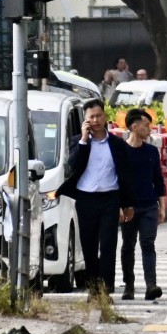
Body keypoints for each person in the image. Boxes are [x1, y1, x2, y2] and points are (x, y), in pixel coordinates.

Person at [56, 99, 135, 295]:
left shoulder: (116, 144)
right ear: (85, 119)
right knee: (89, 246)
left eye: (99, 115)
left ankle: (106, 289)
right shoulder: (78, 142)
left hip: (110, 199)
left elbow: (125, 175)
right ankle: (93, 289)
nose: (96, 120)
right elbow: (74, 165)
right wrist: (84, 139)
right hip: (85, 199)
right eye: (91, 117)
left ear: (105, 116)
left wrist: (127, 204)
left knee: (108, 246)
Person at [120, 109, 167, 301]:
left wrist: (162, 206)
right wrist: (119, 206)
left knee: (148, 244)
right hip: (128, 206)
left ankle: (151, 285)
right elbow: (117, 180)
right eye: (146, 125)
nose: (149, 128)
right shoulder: (121, 151)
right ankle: (129, 285)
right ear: (133, 126)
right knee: (127, 245)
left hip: (149, 205)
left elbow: (158, 179)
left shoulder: (151, 151)